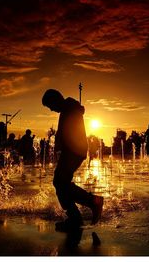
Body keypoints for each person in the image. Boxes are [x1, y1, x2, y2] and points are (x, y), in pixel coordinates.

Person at [42, 89, 104, 231]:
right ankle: (78, 215)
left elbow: (70, 130)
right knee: (61, 183)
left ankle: (88, 206)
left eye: (50, 105)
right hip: (72, 150)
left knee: (60, 182)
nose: (51, 109)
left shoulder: (69, 108)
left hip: (73, 151)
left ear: (55, 99)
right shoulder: (68, 108)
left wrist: (62, 142)